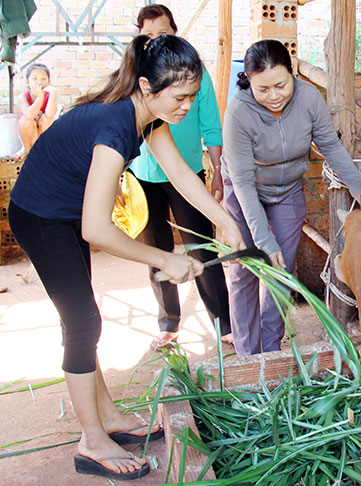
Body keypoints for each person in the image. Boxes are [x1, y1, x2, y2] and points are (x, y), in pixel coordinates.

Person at [8, 35, 245, 480]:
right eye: (180, 97)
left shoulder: (147, 116)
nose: (187, 106)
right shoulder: (116, 127)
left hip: (62, 210)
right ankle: (92, 441)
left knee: (81, 317)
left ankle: (108, 418)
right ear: (146, 86)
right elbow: (96, 228)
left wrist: (224, 219)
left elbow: (179, 172)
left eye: (193, 95)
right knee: (83, 321)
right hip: (40, 214)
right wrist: (165, 258)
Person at [222, 39, 361, 355]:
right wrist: (263, 240)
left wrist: (359, 187)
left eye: (280, 85)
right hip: (243, 192)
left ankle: (270, 350)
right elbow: (242, 181)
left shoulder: (308, 98)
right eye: (262, 89)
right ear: (248, 81)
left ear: (292, 73)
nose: (274, 96)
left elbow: (330, 147)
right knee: (244, 270)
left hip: (287, 190)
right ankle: (247, 355)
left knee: (281, 270)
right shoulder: (239, 112)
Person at [130, 4, 233, 349]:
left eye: (163, 34)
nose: (156, 41)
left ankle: (224, 324)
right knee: (157, 251)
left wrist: (218, 171)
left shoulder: (193, 72)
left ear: (176, 33)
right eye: (148, 36)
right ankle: (168, 322)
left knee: (202, 249)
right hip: (143, 176)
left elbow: (211, 125)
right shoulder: (136, 82)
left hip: (187, 172)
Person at [17, 62, 58, 157]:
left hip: (42, 135)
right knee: (25, 120)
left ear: (48, 81)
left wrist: (53, 94)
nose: (39, 82)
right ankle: (27, 151)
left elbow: (50, 114)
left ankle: (44, 149)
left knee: (47, 119)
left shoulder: (49, 95)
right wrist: (40, 96)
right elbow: (29, 115)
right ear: (27, 81)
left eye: (43, 79)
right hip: (29, 136)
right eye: (34, 78)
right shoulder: (23, 96)